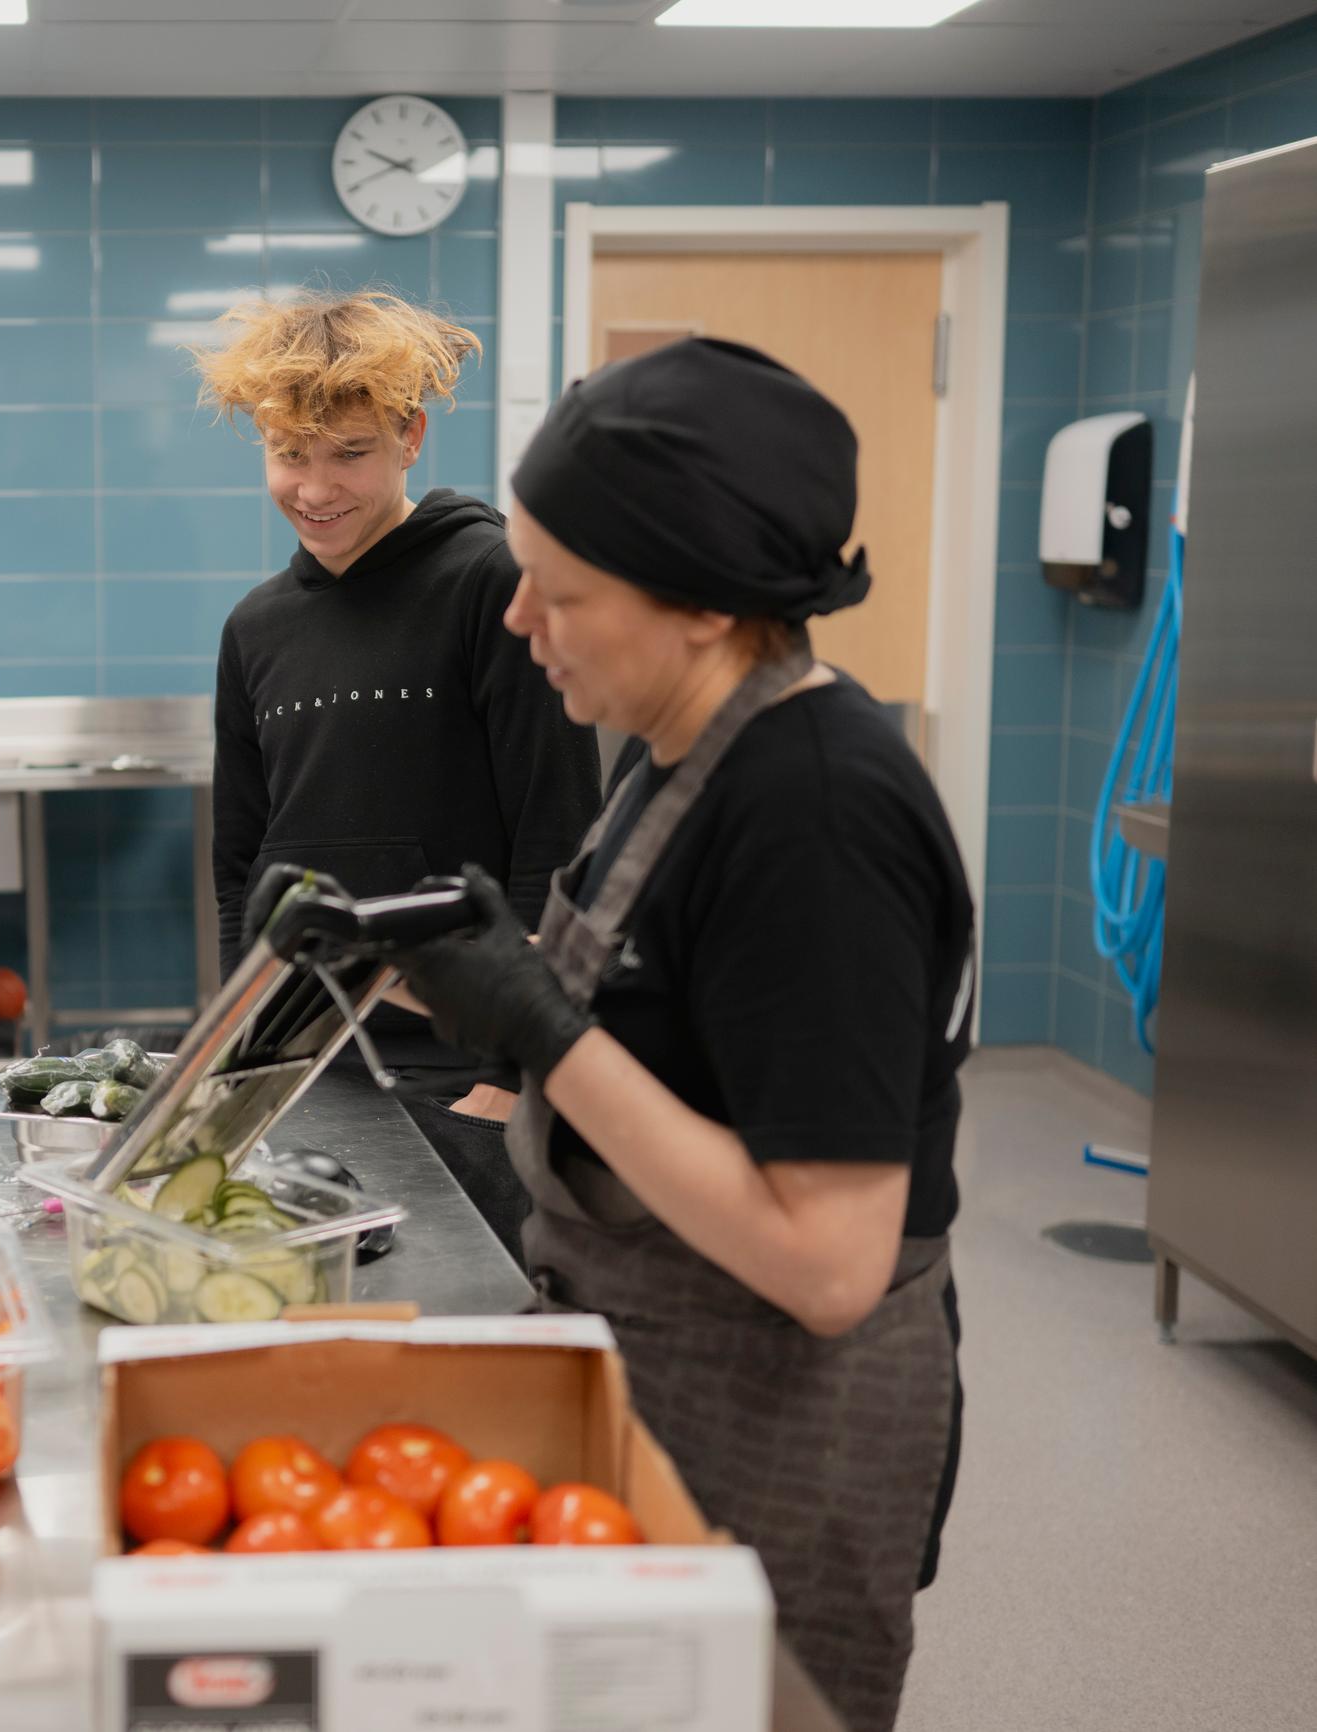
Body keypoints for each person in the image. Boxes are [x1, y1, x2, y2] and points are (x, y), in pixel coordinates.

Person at [398, 338, 972, 1732]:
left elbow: (827, 1263)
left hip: (780, 1414)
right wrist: (419, 974)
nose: (519, 619)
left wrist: (542, 1028)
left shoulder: (814, 810)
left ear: (706, 605)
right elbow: (676, 1037)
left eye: (561, 590)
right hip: (654, 1354)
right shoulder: (674, 753)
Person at [195, 291, 601, 1256]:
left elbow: (556, 838)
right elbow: (240, 866)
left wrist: (516, 1075)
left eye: (349, 453)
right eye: (289, 453)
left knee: (459, 1313)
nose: (314, 487)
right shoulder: (255, 627)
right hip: (301, 1063)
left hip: (465, 1074)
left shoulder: (489, 581)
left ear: (410, 437)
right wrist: (240, 1054)